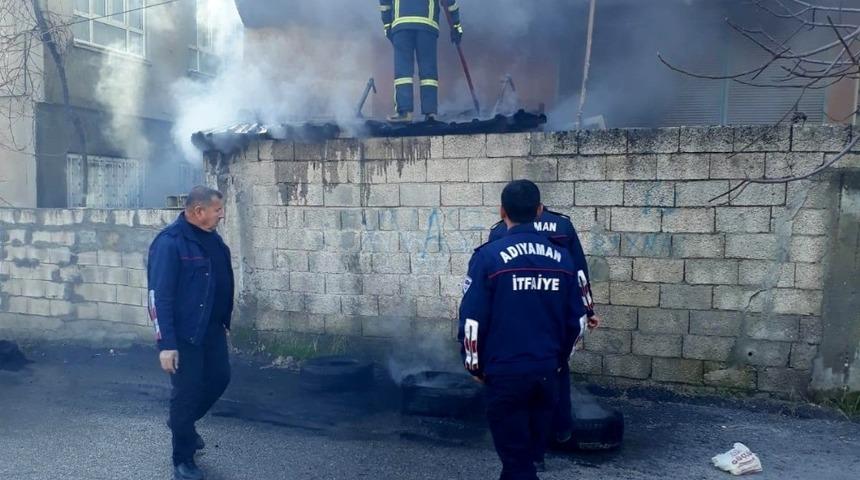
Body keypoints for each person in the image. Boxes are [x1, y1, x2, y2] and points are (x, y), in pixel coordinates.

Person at [459, 180, 598, 480]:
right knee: (528, 456)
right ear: (539, 211)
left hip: (505, 374)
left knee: (516, 461)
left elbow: (471, 320)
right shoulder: (562, 257)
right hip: (547, 372)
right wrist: (559, 361)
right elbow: (577, 322)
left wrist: (474, 366)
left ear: (502, 211)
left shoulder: (488, 256)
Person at [489, 206, 600, 467]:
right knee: (555, 370)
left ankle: (520, 449)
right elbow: (579, 274)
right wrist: (587, 310)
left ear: (504, 209)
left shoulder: (498, 230)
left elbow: (487, 277)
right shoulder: (562, 226)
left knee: (514, 380)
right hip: (552, 317)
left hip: (512, 320)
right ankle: (560, 430)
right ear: (538, 207)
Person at [147, 186, 234, 480]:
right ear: (199, 212)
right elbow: (158, 298)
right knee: (187, 394)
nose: (222, 214)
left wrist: (224, 322)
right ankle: (183, 460)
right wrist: (166, 345)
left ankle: (181, 423)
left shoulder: (211, 239)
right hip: (184, 336)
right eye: (217, 210)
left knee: (220, 379)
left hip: (211, 330)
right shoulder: (170, 243)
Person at [379, 0, 463, 122]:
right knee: (428, 71)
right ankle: (430, 113)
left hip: (401, 24)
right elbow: (450, 3)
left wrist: (387, 25)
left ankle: (404, 112)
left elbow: (385, 3)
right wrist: (456, 26)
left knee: (403, 71)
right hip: (427, 24)